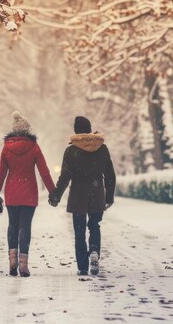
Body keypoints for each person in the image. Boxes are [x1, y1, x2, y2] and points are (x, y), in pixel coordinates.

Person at [0, 111, 56, 277]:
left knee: (12, 225)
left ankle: (12, 263)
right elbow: (44, 172)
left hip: (12, 193)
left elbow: (1, 173)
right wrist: (53, 192)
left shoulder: (7, 148)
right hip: (29, 193)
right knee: (25, 227)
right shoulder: (34, 147)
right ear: (27, 130)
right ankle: (23, 266)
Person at [49, 116, 115, 276]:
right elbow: (110, 174)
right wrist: (109, 197)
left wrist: (56, 195)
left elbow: (65, 176)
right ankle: (94, 250)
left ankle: (83, 267)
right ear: (89, 129)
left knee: (79, 233)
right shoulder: (102, 148)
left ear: (76, 131)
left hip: (78, 194)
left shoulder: (71, 150)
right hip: (97, 192)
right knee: (94, 226)